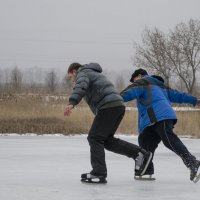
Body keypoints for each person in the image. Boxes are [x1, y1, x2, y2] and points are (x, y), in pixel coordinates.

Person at [64, 63, 152, 184]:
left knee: (94, 138)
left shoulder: (82, 73)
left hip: (108, 107)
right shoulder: (94, 73)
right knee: (106, 140)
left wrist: (72, 102)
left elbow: (81, 86)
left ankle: (99, 173)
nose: (72, 79)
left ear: (74, 71)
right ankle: (139, 154)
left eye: (71, 77)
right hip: (117, 106)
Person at [120, 68, 200, 183]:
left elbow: (130, 92)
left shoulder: (143, 81)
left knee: (168, 139)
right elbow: (178, 95)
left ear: (139, 75)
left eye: (134, 79)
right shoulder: (160, 86)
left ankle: (191, 162)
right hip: (152, 120)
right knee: (145, 143)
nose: (134, 82)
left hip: (159, 116)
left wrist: (114, 98)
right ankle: (147, 171)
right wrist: (194, 101)